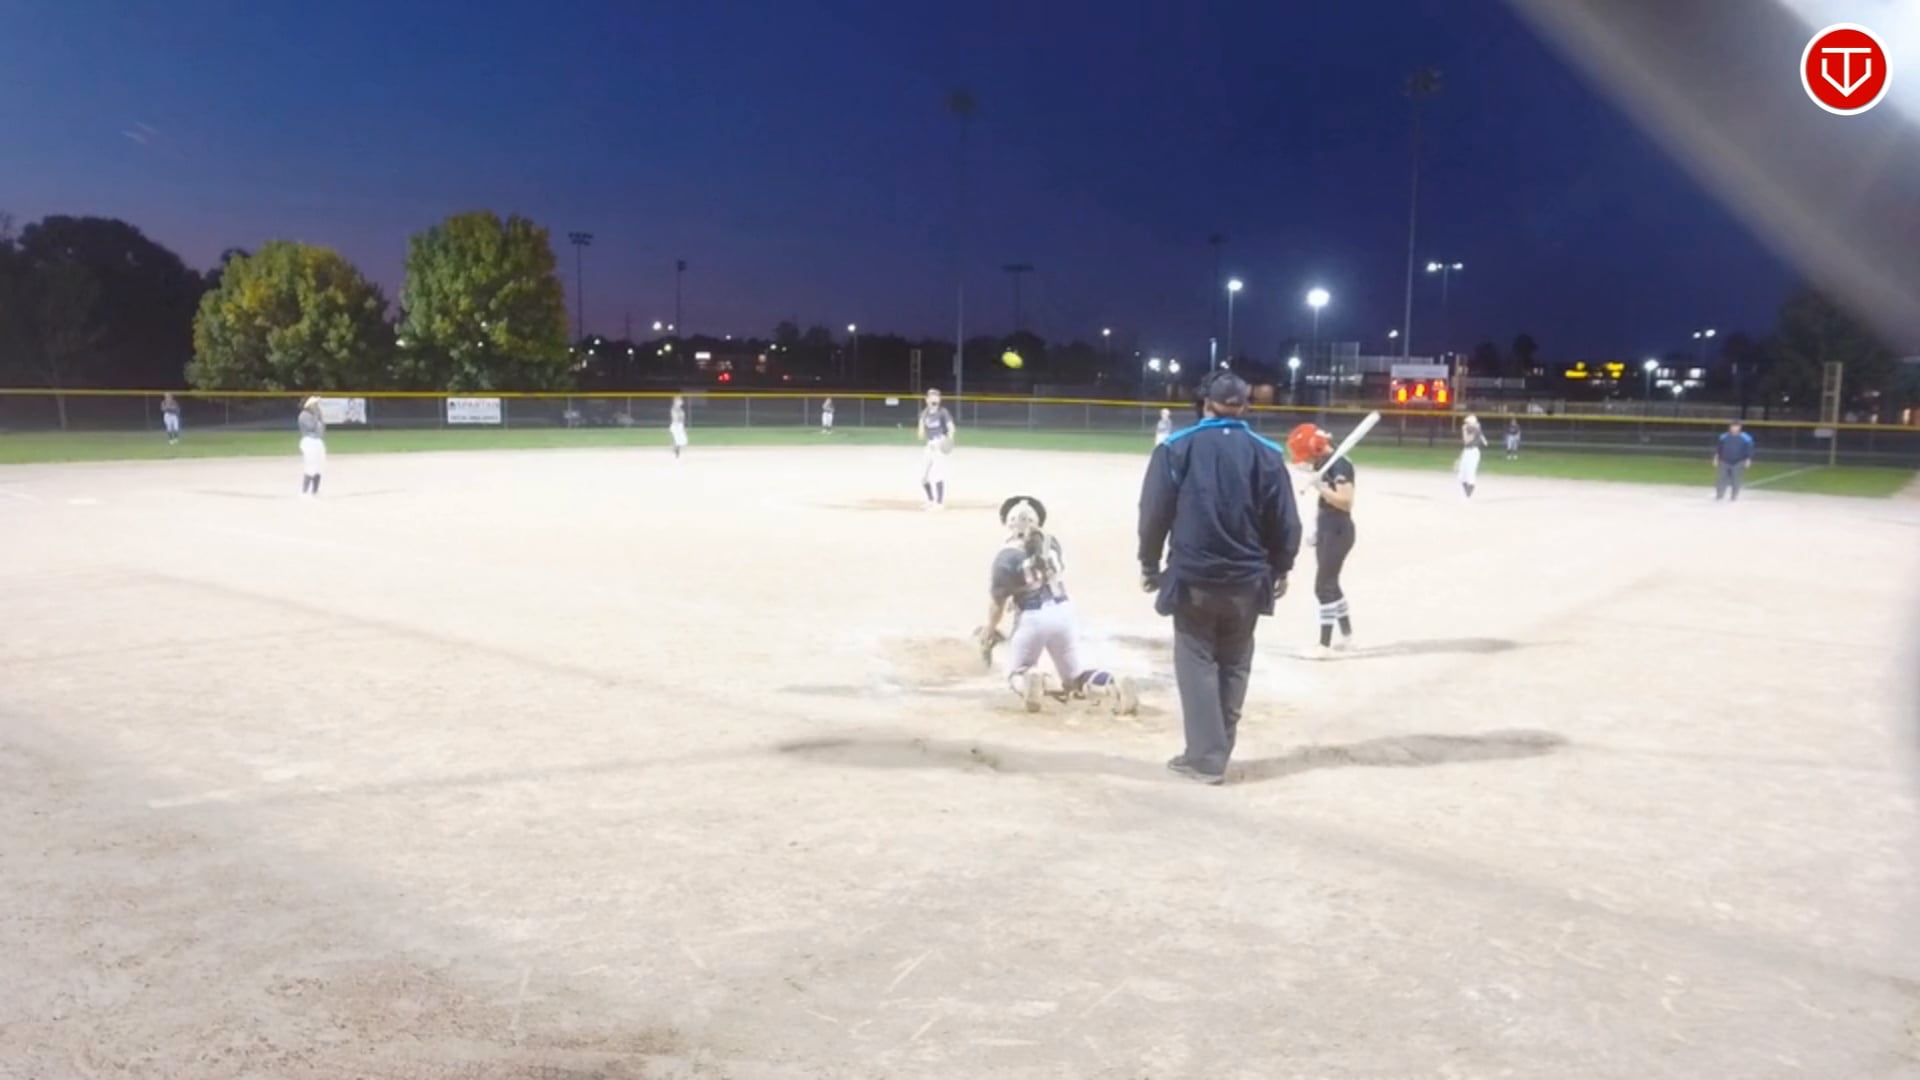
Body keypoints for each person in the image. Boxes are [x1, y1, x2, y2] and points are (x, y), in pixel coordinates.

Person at [1137, 371, 1301, 785]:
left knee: (1195, 662)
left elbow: (1153, 513)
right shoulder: (1267, 453)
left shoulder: (1176, 447)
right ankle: (1217, 752)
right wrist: (1282, 566)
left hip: (1194, 577)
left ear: (1205, 403)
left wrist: (1149, 564)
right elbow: (1286, 522)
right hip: (1248, 579)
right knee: (1234, 663)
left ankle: (1206, 758)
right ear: (1245, 405)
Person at [978, 496, 1140, 715]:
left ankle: (1029, 680)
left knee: (1016, 671)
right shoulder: (1051, 543)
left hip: (1032, 617)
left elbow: (998, 602)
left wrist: (990, 629)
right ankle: (1112, 685)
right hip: (1063, 611)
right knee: (1075, 677)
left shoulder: (1005, 557)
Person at [1289, 424, 1358, 659]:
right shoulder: (1325, 461)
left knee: (1323, 587)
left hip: (1338, 530)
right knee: (1332, 584)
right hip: (1328, 527)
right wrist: (1317, 528)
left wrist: (1320, 487)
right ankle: (1347, 637)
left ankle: (1324, 645)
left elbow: (1346, 502)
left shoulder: (1340, 465)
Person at [917, 388, 956, 510]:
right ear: (927, 400)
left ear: (939, 400)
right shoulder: (924, 413)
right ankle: (930, 500)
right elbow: (920, 433)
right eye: (932, 396)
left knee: (938, 474)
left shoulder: (943, 412)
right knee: (923, 476)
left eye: (937, 397)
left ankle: (939, 503)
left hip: (939, 443)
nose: (934, 399)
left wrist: (949, 439)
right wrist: (921, 428)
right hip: (929, 445)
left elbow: (951, 428)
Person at [1713, 422, 1754, 501]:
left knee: (1736, 479)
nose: (1734, 428)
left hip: (1739, 461)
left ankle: (1734, 496)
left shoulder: (1746, 437)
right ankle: (1719, 494)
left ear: (1740, 427)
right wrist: (1716, 458)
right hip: (1724, 460)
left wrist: (1748, 459)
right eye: (1733, 426)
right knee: (1721, 478)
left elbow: (1749, 449)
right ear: (1730, 427)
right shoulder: (1723, 436)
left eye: (1736, 426)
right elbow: (1718, 448)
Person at [297, 396, 326, 497]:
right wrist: (317, 415)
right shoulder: (303, 415)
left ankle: (315, 491)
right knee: (311, 466)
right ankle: (304, 492)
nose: (317, 406)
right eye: (315, 404)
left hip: (318, 441)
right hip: (309, 442)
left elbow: (322, 428)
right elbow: (311, 427)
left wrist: (320, 417)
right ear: (309, 405)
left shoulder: (316, 414)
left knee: (319, 466)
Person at [1457, 414, 1486, 498]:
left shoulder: (1475, 430)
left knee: (1470, 472)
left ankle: (1469, 493)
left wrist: (1464, 430)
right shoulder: (1473, 429)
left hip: (1473, 452)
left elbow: (1466, 440)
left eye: (1468, 423)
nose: (1466, 424)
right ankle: (1467, 494)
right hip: (1467, 451)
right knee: (1462, 475)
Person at [669, 395, 688, 460]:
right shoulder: (675, 408)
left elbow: (682, 418)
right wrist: (677, 425)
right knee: (679, 440)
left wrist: (683, 426)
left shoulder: (679, 409)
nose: (681, 402)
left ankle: (676, 450)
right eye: (680, 401)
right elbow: (675, 417)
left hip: (679, 425)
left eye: (681, 401)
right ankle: (676, 452)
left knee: (683, 441)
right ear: (676, 402)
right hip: (676, 425)